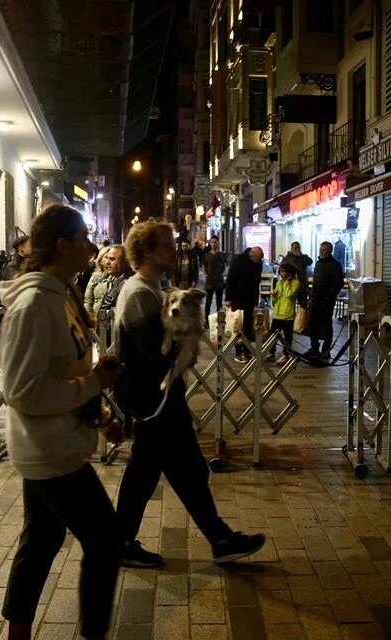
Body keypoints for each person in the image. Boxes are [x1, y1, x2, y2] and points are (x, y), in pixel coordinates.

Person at [0, 204, 124, 640]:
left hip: (58, 441)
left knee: (42, 539)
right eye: (86, 239)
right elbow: (21, 390)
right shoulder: (33, 303)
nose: (94, 247)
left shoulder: (63, 293)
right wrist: (92, 385)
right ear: (62, 244)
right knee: (106, 543)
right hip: (49, 449)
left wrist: (101, 414)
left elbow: (65, 371)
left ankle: (18, 630)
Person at [113, 219, 266, 569]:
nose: (174, 250)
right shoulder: (138, 293)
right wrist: (188, 343)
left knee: (157, 470)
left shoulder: (155, 288)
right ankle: (219, 539)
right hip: (154, 399)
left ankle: (124, 541)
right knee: (180, 470)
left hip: (159, 396)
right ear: (148, 252)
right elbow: (156, 348)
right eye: (166, 245)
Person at [305, 242, 344, 360]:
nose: (322, 252)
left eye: (325, 250)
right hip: (316, 299)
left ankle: (326, 351)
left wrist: (329, 296)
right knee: (312, 324)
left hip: (327, 301)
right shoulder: (318, 263)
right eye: (321, 249)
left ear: (330, 251)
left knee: (326, 325)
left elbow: (339, 283)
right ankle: (314, 347)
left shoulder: (335, 265)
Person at [226, 246, 264, 362]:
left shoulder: (258, 263)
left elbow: (257, 281)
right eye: (257, 259)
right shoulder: (239, 259)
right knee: (238, 325)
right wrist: (228, 298)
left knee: (248, 326)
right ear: (251, 254)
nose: (259, 262)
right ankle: (239, 352)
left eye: (260, 259)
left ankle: (247, 351)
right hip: (237, 298)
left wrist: (257, 298)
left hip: (250, 299)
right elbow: (230, 278)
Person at [269, 262, 299, 365]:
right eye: (280, 271)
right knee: (272, 335)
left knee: (287, 336)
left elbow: (289, 294)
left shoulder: (295, 283)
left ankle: (285, 355)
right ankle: (271, 353)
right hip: (277, 313)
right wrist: (274, 295)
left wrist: (286, 282)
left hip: (287, 315)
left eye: (283, 271)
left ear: (289, 273)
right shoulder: (278, 282)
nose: (281, 273)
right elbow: (276, 299)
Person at [98, 244, 131, 313]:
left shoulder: (128, 284)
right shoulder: (115, 279)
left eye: (112, 259)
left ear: (125, 262)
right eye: (107, 258)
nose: (107, 262)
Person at [280, 241, 313, 309]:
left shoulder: (303, 257)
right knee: (289, 306)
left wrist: (301, 256)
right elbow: (280, 270)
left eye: (298, 248)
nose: (297, 249)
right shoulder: (287, 258)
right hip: (290, 286)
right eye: (295, 248)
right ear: (291, 248)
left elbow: (310, 262)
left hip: (302, 286)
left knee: (303, 306)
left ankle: (303, 319)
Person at [202, 236, 228, 317]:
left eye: (215, 242)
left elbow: (224, 265)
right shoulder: (207, 255)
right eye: (212, 242)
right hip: (209, 280)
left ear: (218, 243)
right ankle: (207, 320)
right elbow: (203, 266)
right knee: (208, 301)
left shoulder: (222, 255)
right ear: (210, 243)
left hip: (219, 281)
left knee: (219, 302)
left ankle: (219, 320)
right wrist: (206, 274)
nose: (214, 244)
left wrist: (222, 274)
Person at [84, 245, 112, 317]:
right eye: (106, 257)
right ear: (100, 261)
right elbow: (88, 302)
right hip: (97, 320)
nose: (109, 261)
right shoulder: (95, 277)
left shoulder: (117, 278)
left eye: (111, 258)